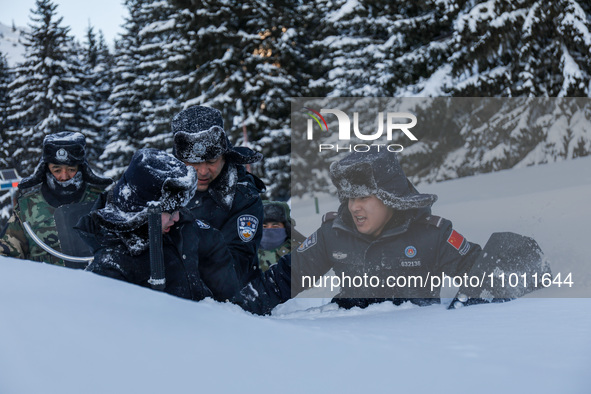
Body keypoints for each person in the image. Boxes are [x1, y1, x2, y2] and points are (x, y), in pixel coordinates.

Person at [238, 148, 485, 315]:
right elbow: (284, 279)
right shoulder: (332, 233)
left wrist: (464, 310)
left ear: (391, 198)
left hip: (415, 346)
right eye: (349, 198)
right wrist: (237, 309)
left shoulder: (433, 234)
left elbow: (484, 273)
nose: (354, 207)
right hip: (350, 344)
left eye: (364, 197)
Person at [76, 148, 240, 303]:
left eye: (179, 208)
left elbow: (211, 245)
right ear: (142, 210)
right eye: (170, 211)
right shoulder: (112, 265)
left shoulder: (179, 226)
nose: (177, 218)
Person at [171, 105, 265, 286]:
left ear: (224, 155)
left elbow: (235, 268)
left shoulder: (244, 197)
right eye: (193, 163)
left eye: (212, 161)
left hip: (234, 304)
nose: (203, 171)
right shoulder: (163, 185)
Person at [0, 132, 112, 266]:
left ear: (81, 168)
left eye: (71, 169)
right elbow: (6, 258)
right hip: (44, 284)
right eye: (57, 170)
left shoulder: (100, 201)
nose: (64, 177)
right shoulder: (27, 206)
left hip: (94, 282)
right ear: (46, 169)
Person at [258, 200, 304, 272]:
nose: (269, 230)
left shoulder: (298, 251)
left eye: (275, 226)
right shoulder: (247, 253)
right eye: (264, 226)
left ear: (286, 227)